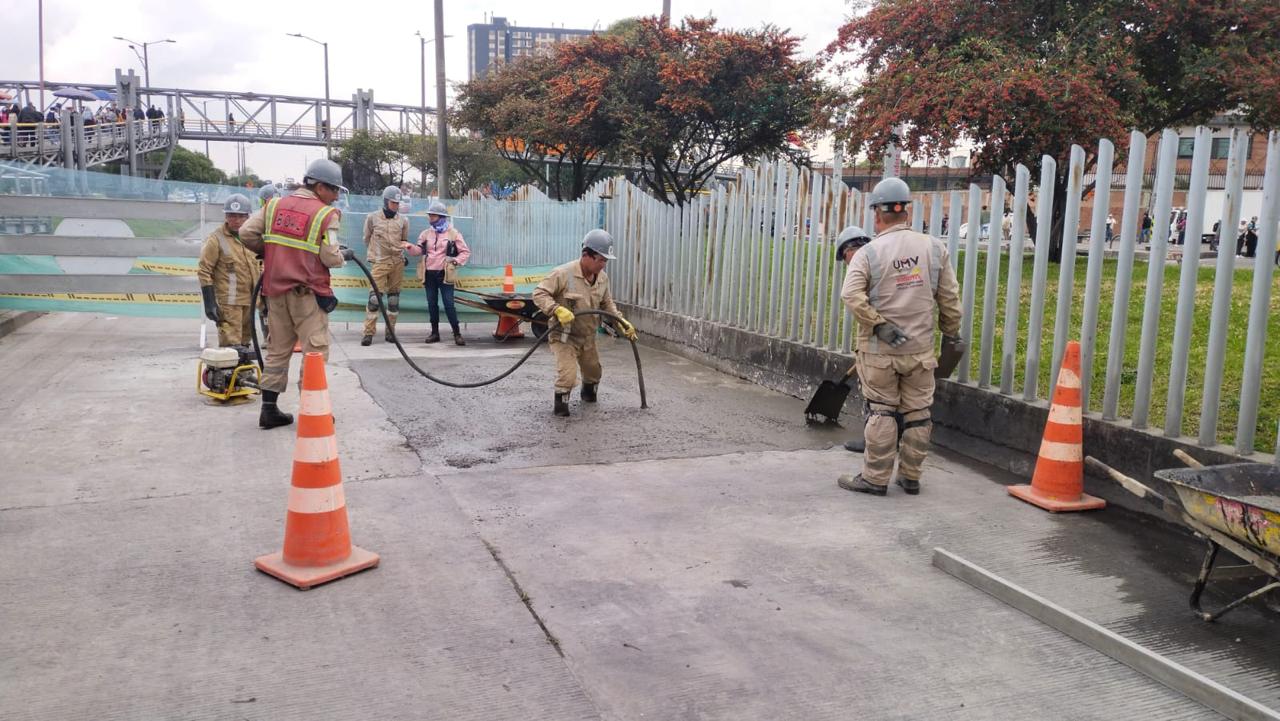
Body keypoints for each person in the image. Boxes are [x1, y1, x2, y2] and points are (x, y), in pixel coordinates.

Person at [838, 177, 963, 496]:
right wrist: (950, 336)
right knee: (918, 412)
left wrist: (879, 324)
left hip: (880, 350)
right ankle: (910, 476)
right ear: (907, 211)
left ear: (877, 214)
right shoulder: (935, 248)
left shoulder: (869, 252)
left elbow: (851, 295)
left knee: (881, 409)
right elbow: (949, 299)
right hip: (920, 351)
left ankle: (875, 479)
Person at [236, 158, 350, 429]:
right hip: (307, 294)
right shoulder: (326, 215)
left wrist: (272, 254)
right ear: (320, 186)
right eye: (333, 190)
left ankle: (269, 409)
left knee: (277, 350)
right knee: (315, 352)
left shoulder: (274, 205)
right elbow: (330, 257)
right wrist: (344, 255)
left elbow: (245, 232)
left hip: (275, 292)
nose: (335, 197)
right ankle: (313, 410)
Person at [532, 229, 637, 417]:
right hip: (565, 336)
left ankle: (589, 398)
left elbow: (607, 304)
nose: (603, 265)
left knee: (594, 373)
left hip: (588, 336)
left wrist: (622, 322)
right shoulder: (563, 273)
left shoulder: (603, 278)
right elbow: (539, 293)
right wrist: (556, 309)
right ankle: (561, 413)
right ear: (586, 255)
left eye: (605, 261)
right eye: (600, 260)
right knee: (567, 377)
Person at [198, 194, 260, 348]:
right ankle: (229, 372)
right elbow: (204, 270)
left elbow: (261, 265)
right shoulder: (216, 239)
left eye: (241, 216)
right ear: (226, 216)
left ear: (248, 217)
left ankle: (243, 373)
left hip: (251, 302)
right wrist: (209, 302)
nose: (236, 220)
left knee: (246, 344)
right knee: (230, 348)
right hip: (229, 305)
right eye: (232, 216)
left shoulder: (253, 239)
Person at [405, 200, 470, 345]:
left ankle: (457, 333)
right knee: (432, 304)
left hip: (445, 275)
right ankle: (435, 333)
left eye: (433, 216)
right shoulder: (426, 234)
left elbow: (465, 252)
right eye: (429, 216)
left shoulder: (453, 234)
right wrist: (410, 247)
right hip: (429, 274)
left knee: (448, 304)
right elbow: (419, 250)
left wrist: (455, 261)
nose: (430, 218)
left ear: (441, 217)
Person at [835, 225, 873, 454]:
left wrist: (878, 326)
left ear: (849, 250)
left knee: (877, 399)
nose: (848, 263)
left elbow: (851, 296)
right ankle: (898, 443)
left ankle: (874, 442)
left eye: (845, 258)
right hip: (913, 337)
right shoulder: (885, 257)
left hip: (879, 339)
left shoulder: (862, 263)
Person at [360, 186, 410, 346]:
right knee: (374, 299)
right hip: (380, 263)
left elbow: (404, 241)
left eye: (397, 203)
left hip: (397, 263)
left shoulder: (403, 220)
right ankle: (368, 333)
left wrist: (403, 254)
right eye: (393, 202)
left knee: (393, 300)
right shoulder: (372, 218)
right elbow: (367, 239)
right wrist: (375, 256)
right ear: (386, 201)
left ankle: (391, 332)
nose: (396, 206)